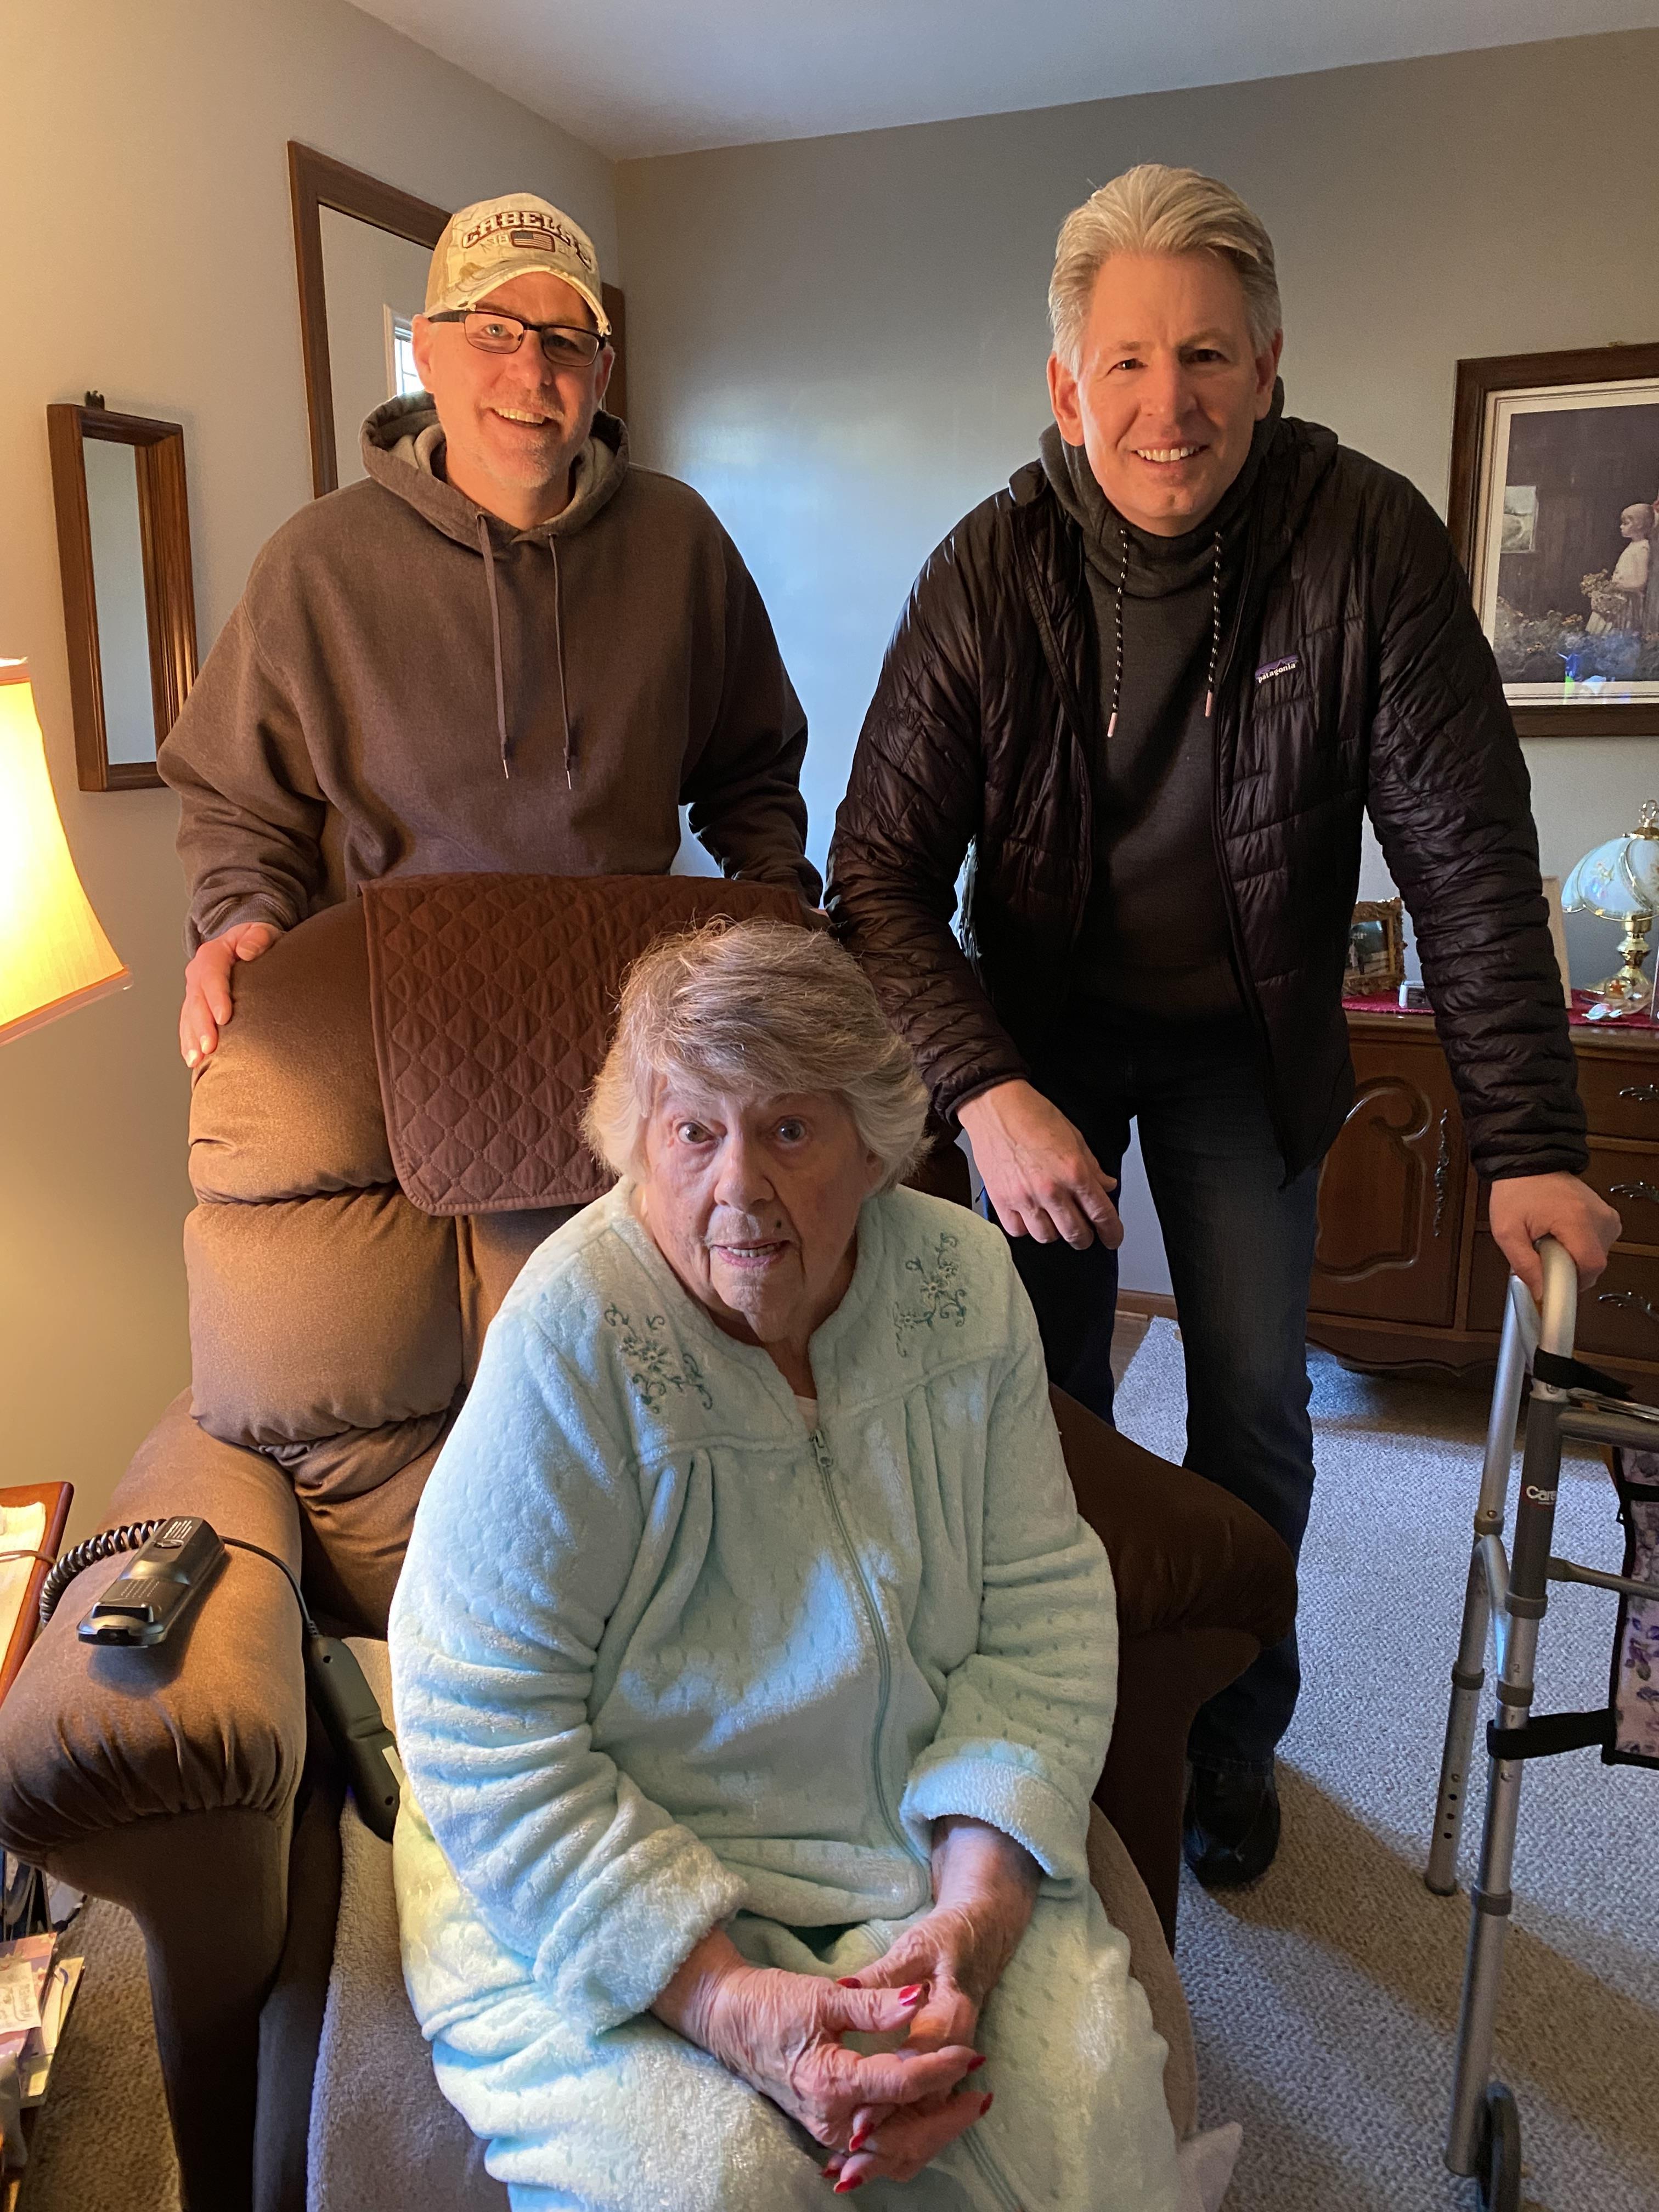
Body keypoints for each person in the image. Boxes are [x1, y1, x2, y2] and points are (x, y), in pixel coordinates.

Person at [827, 163, 1620, 1889]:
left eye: (1204, 356)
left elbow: (1469, 853)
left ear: (1270, 363)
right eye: (1124, 362)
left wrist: (1537, 1143)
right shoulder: (989, 571)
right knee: (1021, 1403)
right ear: (1065, 386)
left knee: (1258, 1404)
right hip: (1032, 1043)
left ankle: (1230, 1729)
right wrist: (982, 1090)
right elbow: (875, 871)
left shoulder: (1367, 543)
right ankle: (1051, 1719)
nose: (1164, 405)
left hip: (1244, 1048)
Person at [387, 919, 1188, 2212]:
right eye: (694, 1131)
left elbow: (1041, 1607)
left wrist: (973, 1923)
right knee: (722, 2186)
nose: (739, 1187)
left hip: (910, 1846)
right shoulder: (571, 1334)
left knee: (1090, 2114)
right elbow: (480, 1722)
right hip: (614, 1869)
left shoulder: (969, 1285)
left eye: (790, 1131)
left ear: (876, 1146)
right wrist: (728, 2002)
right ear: (637, 1142)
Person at [160, 193, 817, 1070]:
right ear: (427, 351)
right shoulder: (316, 562)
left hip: (628, 1013)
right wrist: (242, 918)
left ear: (602, 373)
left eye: (564, 341)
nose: (532, 374)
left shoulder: (682, 540)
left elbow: (753, 765)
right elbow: (234, 795)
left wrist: (775, 907)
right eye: (494, 331)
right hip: (393, 1011)